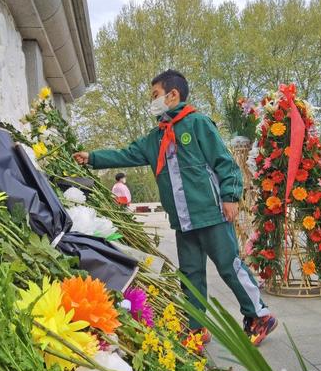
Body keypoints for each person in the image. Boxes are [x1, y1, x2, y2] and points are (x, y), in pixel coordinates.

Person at [74, 70, 278, 346]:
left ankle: (259, 316)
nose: (152, 101)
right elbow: (126, 153)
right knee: (191, 276)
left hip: (211, 213)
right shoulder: (154, 138)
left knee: (229, 266)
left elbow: (224, 163)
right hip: (183, 220)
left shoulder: (197, 124)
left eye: (155, 95)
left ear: (173, 95)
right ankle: (196, 328)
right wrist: (93, 157)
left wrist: (230, 196)